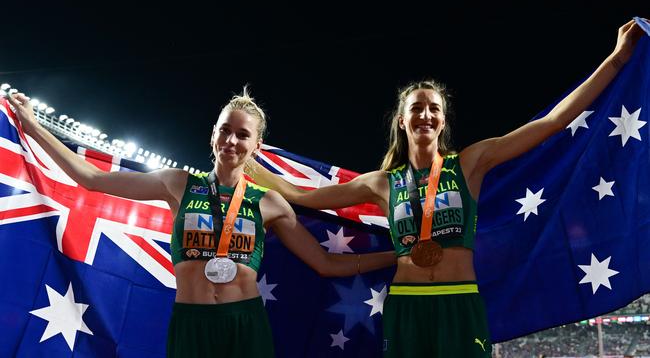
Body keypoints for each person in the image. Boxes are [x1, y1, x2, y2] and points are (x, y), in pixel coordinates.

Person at [246, 19, 646, 357]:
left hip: (460, 302)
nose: (425, 114)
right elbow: (300, 196)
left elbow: (553, 123)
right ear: (402, 121)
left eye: (433, 108)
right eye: (416, 108)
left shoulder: (471, 163)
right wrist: (245, 160)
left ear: (442, 121)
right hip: (407, 306)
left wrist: (617, 58)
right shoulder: (383, 183)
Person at [5, 89, 396, 358]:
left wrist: (399, 257)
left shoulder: (271, 203)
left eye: (242, 135)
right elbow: (90, 179)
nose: (231, 140)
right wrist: (33, 125)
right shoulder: (176, 183)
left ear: (256, 146)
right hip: (192, 323)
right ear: (213, 134)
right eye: (225, 130)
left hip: (246, 324)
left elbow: (326, 264)